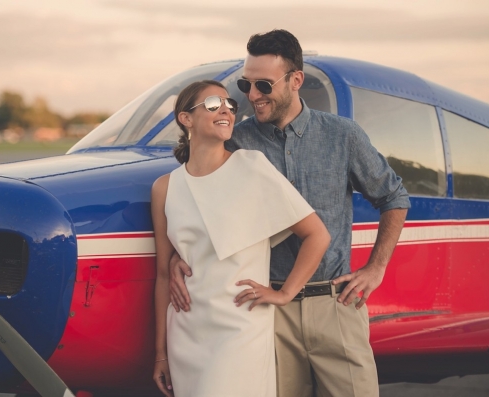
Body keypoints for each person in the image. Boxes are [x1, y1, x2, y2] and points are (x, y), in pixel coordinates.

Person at [169, 30, 411, 397]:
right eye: (245, 85)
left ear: (296, 80)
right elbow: (198, 195)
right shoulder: (236, 141)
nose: (252, 96)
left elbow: (393, 196)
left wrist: (376, 268)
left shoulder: (342, 135)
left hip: (336, 305)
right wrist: (177, 256)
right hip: (268, 314)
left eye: (263, 85)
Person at [151, 80, 331, 397]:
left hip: (240, 328)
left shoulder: (252, 167)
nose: (225, 110)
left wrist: (285, 293)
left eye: (229, 105)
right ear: (186, 119)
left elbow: (317, 234)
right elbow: (164, 274)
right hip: (186, 333)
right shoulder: (165, 188)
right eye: (212, 104)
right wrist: (161, 354)